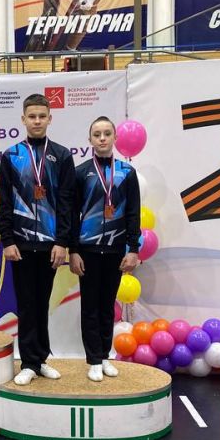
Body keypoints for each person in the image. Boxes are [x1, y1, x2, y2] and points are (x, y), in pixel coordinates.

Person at [0, 94, 76, 385]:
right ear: (23, 119)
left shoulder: (62, 156)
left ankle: (40, 359)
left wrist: (62, 242)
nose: (37, 121)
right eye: (32, 116)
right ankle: (29, 362)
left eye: (42, 116)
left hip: (50, 244)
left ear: (50, 119)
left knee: (42, 302)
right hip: (20, 243)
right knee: (26, 303)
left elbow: (68, 204)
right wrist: (7, 240)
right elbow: (5, 203)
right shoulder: (11, 156)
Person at [70, 116, 140, 381]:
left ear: (115, 138)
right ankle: (93, 360)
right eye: (97, 134)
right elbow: (72, 214)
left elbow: (133, 213)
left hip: (115, 249)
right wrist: (73, 250)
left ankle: (105, 355)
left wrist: (133, 249)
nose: (102, 138)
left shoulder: (127, 172)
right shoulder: (81, 172)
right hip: (87, 249)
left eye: (107, 134)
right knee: (90, 305)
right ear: (89, 139)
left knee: (108, 305)